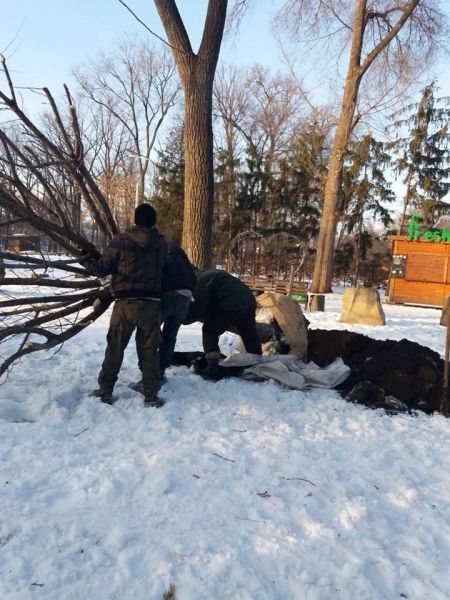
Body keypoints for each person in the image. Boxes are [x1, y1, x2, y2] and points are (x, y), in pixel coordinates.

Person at [89, 203, 167, 407]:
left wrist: (88, 256)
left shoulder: (121, 241)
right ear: (154, 221)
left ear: (135, 219)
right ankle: (151, 395)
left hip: (125, 303)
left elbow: (101, 269)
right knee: (149, 351)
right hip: (152, 304)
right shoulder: (161, 244)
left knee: (115, 347)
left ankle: (105, 391)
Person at [184, 269, 262, 374]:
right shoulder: (210, 274)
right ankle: (258, 362)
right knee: (249, 333)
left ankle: (213, 366)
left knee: (210, 330)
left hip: (231, 302)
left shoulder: (200, 281)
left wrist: (183, 318)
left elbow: (198, 306)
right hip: (249, 300)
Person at [159, 243, 197, 377]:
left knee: (149, 334)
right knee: (170, 337)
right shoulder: (178, 251)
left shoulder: (155, 250)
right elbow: (193, 276)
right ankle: (160, 371)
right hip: (184, 297)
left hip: (165, 296)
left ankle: (149, 373)